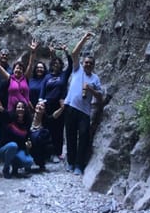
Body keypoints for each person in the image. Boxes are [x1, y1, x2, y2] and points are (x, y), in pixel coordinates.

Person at [64, 31, 103, 176]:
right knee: (70, 135)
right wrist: (83, 39)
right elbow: (74, 54)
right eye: (86, 62)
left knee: (84, 136)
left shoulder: (95, 78)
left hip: (85, 111)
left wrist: (91, 89)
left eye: (90, 63)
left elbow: (100, 98)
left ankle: (79, 165)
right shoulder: (77, 69)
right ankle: (71, 162)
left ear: (93, 66)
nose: (87, 64)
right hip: (70, 107)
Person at [40, 45, 72, 160]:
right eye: (54, 63)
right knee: (47, 128)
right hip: (47, 105)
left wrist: (66, 52)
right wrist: (41, 102)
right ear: (52, 65)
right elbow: (42, 90)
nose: (56, 64)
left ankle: (57, 152)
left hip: (60, 106)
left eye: (58, 63)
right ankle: (47, 152)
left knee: (58, 129)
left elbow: (71, 66)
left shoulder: (63, 75)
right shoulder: (47, 76)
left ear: (61, 65)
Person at [0, 39, 38, 113]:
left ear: (23, 71)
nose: (18, 70)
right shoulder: (10, 78)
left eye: (20, 69)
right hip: (12, 110)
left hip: (24, 110)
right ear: (13, 70)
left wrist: (33, 52)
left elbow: (30, 65)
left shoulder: (25, 78)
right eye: (17, 68)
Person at [0, 99, 34, 178]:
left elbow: (26, 141)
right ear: (15, 109)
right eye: (18, 107)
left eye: (22, 107)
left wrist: (28, 145)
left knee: (29, 161)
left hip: (17, 150)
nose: (20, 109)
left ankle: (15, 168)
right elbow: (4, 115)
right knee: (13, 146)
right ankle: (6, 169)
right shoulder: (10, 119)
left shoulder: (26, 124)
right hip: (4, 150)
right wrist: (1, 109)